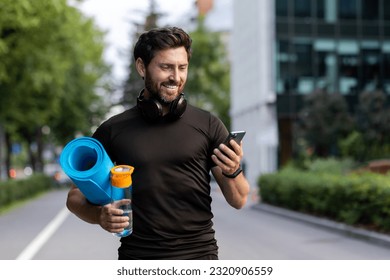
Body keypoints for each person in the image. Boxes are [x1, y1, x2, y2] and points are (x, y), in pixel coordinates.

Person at [66, 26, 250, 260]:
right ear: (142, 67)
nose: (176, 76)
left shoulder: (209, 124)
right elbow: (75, 197)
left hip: (200, 258)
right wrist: (99, 216)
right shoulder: (113, 130)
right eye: (166, 67)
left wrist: (233, 170)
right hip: (138, 260)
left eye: (182, 67)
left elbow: (239, 199)